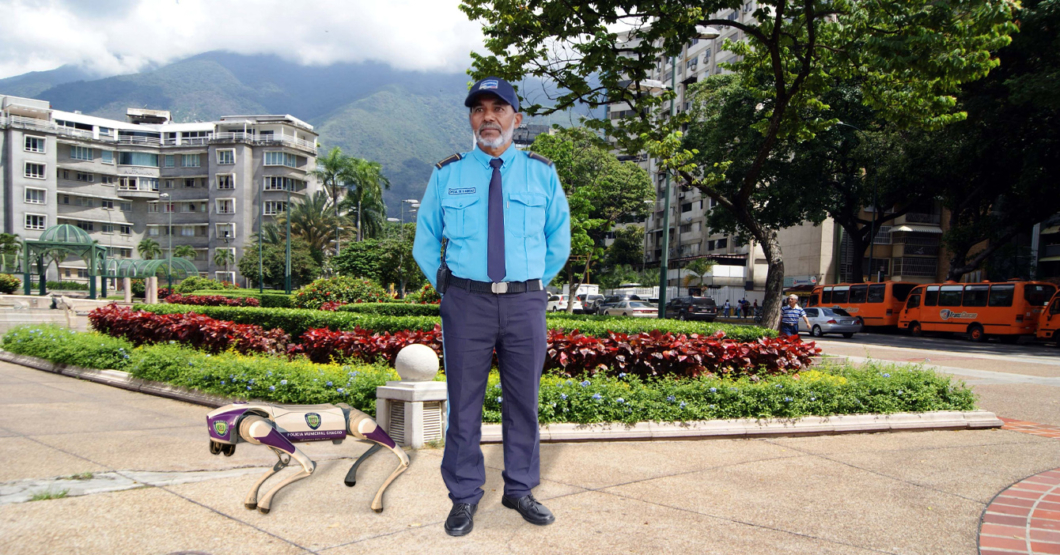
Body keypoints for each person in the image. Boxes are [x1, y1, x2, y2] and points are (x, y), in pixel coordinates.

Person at [413, 76, 571, 537]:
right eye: (479, 109)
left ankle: (519, 489)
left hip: (525, 303)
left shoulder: (542, 172)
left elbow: (557, 239)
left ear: (515, 119)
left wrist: (536, 284)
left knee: (524, 401)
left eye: (498, 109)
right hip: (467, 303)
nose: (488, 117)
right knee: (464, 404)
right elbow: (426, 240)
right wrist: (448, 290)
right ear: (471, 119)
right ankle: (463, 496)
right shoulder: (448, 173)